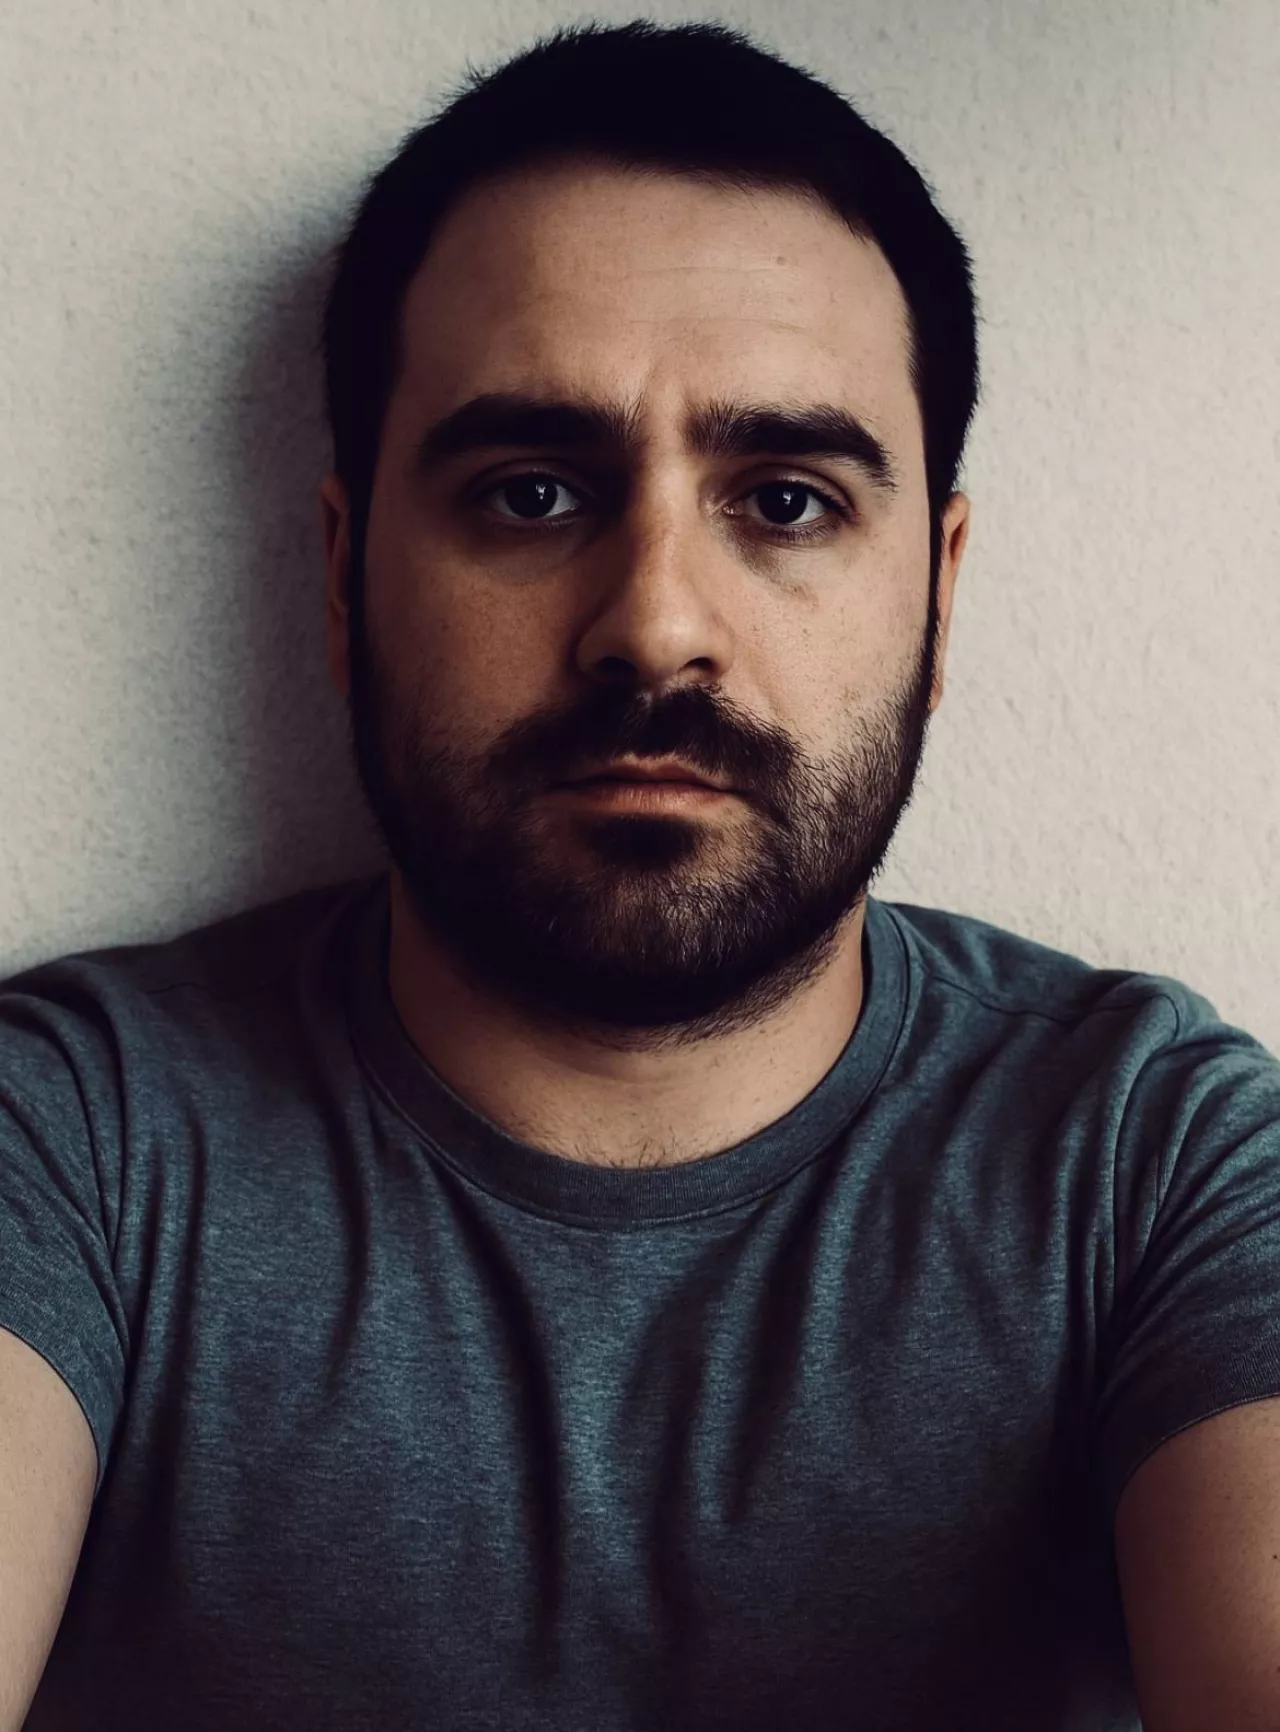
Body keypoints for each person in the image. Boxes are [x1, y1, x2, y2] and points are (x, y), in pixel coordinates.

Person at [3, 19, 1278, 1732]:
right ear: (344, 574)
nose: (657, 625)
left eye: (788, 500)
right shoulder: (76, 1145)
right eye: (532, 492)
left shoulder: (1156, 1164)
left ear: (940, 592)